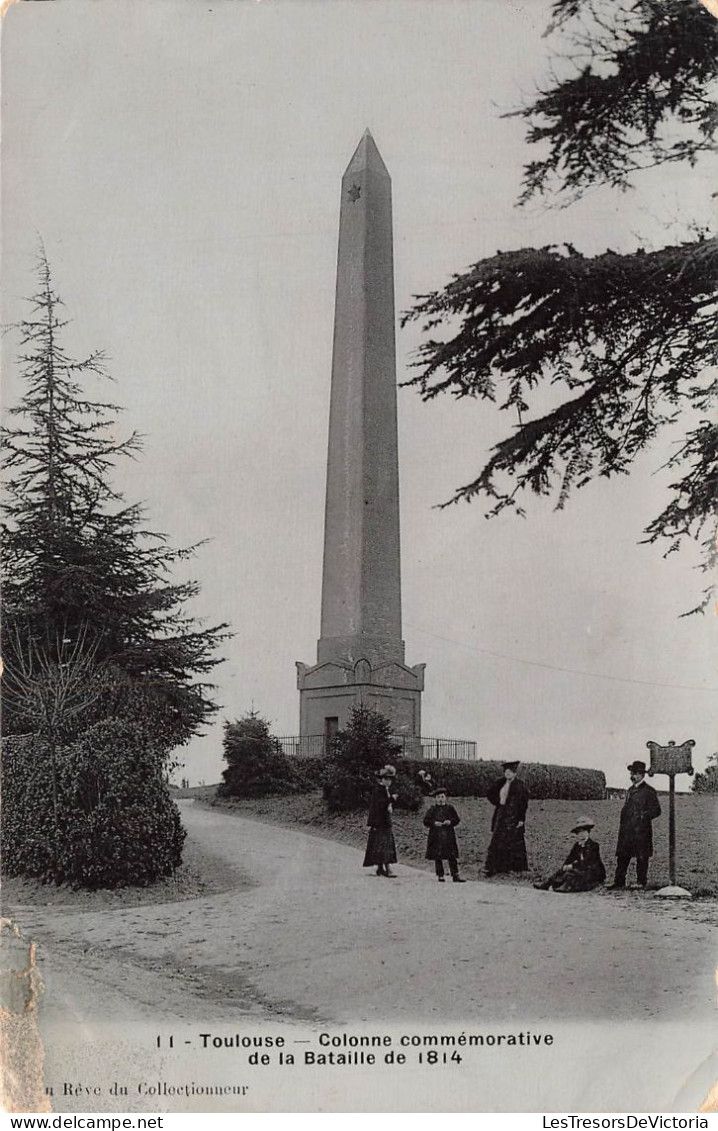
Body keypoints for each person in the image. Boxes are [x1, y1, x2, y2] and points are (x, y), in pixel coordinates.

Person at [609, 760, 661, 889]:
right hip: (627, 829)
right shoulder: (630, 790)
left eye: (636, 773)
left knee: (641, 856)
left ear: (642, 775)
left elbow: (657, 810)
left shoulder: (649, 791)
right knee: (622, 856)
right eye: (632, 773)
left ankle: (641, 882)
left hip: (641, 830)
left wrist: (643, 816)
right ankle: (619, 881)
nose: (633, 776)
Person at [533, 816, 606, 892]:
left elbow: (587, 862)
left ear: (588, 832)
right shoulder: (577, 845)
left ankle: (565, 887)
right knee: (561, 872)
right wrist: (565, 866)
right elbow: (570, 858)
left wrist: (573, 865)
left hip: (592, 873)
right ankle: (546, 884)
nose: (581, 834)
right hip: (580, 869)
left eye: (583, 831)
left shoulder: (593, 845)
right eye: (578, 832)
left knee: (572, 875)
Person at [484, 761, 529, 876]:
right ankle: (494, 867)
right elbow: (490, 793)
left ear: (514, 774)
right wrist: (498, 802)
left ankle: (513, 866)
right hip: (501, 813)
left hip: (513, 815)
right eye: (506, 772)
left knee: (512, 840)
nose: (508, 774)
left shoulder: (520, 785)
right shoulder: (500, 783)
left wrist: (521, 819)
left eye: (510, 772)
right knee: (497, 839)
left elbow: (523, 804)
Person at [423, 786, 466, 882]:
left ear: (445, 798)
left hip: (448, 836)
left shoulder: (450, 808)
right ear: (435, 799)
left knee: (452, 856)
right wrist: (434, 823)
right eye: (438, 797)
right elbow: (426, 821)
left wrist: (450, 822)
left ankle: (455, 875)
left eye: (442, 797)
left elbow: (456, 819)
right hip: (436, 836)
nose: (440, 799)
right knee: (438, 856)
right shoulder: (432, 809)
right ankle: (440, 875)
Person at [363, 765, 398, 877]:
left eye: (390, 779)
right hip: (380, 822)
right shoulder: (379, 790)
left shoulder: (383, 790)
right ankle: (386, 868)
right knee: (384, 844)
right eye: (386, 779)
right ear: (381, 779)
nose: (388, 781)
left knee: (380, 844)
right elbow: (381, 805)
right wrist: (392, 799)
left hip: (382, 821)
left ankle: (380, 868)